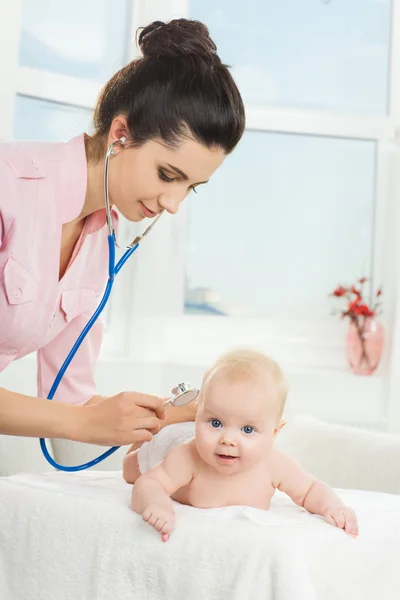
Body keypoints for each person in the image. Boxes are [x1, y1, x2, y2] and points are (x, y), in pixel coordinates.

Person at [0, 19, 245, 447]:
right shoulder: (8, 185)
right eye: (168, 175)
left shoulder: (101, 243)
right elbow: (75, 422)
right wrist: (81, 425)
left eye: (190, 188)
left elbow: (69, 400)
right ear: (121, 133)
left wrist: (192, 416)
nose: (172, 203)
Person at [124, 349, 359, 542]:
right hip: (169, 440)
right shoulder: (188, 456)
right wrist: (157, 503)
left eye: (247, 429)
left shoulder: (274, 464)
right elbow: (149, 483)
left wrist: (332, 506)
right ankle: (153, 434)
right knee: (131, 469)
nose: (227, 439)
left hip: (194, 436)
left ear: (274, 433)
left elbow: (310, 490)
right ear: (198, 417)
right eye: (215, 422)